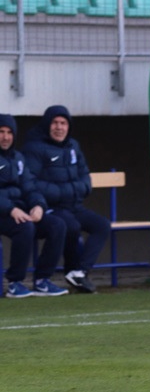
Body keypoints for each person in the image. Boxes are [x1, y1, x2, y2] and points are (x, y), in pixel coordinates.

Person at [23, 105, 110, 293]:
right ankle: (45, 278)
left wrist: (78, 189)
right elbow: (32, 182)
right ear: (47, 124)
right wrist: (64, 192)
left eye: (63, 123)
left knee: (102, 225)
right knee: (70, 225)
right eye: (55, 123)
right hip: (49, 207)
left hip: (75, 205)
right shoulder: (34, 147)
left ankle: (79, 272)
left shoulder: (73, 146)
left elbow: (85, 177)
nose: (59, 127)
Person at [0, 114, 68, 297]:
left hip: (18, 211)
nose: (5, 137)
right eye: (1, 132)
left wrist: (38, 205)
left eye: (9, 133)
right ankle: (15, 282)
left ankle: (42, 281)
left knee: (57, 224)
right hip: (4, 212)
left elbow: (30, 187)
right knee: (25, 228)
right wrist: (10, 208)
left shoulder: (18, 158)